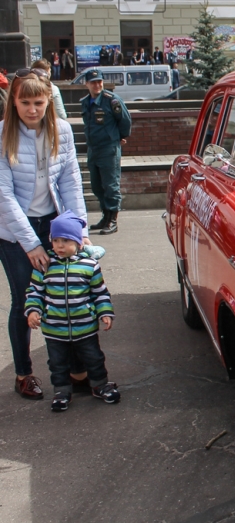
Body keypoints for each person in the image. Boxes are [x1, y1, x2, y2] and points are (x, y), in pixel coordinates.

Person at [0, 68, 90, 400]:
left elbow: (71, 182)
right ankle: (23, 373)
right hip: (14, 232)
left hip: (54, 225)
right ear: (14, 102)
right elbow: (4, 195)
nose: (32, 109)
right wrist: (31, 244)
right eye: (25, 102)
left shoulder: (61, 130)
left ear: (48, 101)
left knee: (65, 294)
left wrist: (80, 230)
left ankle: (75, 370)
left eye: (38, 102)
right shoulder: (3, 133)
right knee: (25, 300)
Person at [24, 210, 119, 412]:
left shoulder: (89, 265)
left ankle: (100, 385)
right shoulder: (44, 266)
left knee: (94, 358)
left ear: (78, 242)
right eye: (55, 240)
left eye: (66, 241)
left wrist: (105, 312)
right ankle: (61, 392)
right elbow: (35, 292)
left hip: (85, 326)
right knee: (57, 363)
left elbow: (100, 292)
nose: (59, 245)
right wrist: (33, 310)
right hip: (54, 329)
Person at [80, 69, 132, 235]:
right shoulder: (86, 102)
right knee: (97, 186)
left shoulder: (111, 100)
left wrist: (119, 137)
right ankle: (105, 216)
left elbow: (125, 121)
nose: (97, 85)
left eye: (99, 82)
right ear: (87, 84)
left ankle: (113, 219)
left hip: (108, 148)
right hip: (93, 148)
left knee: (111, 185)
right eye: (93, 82)